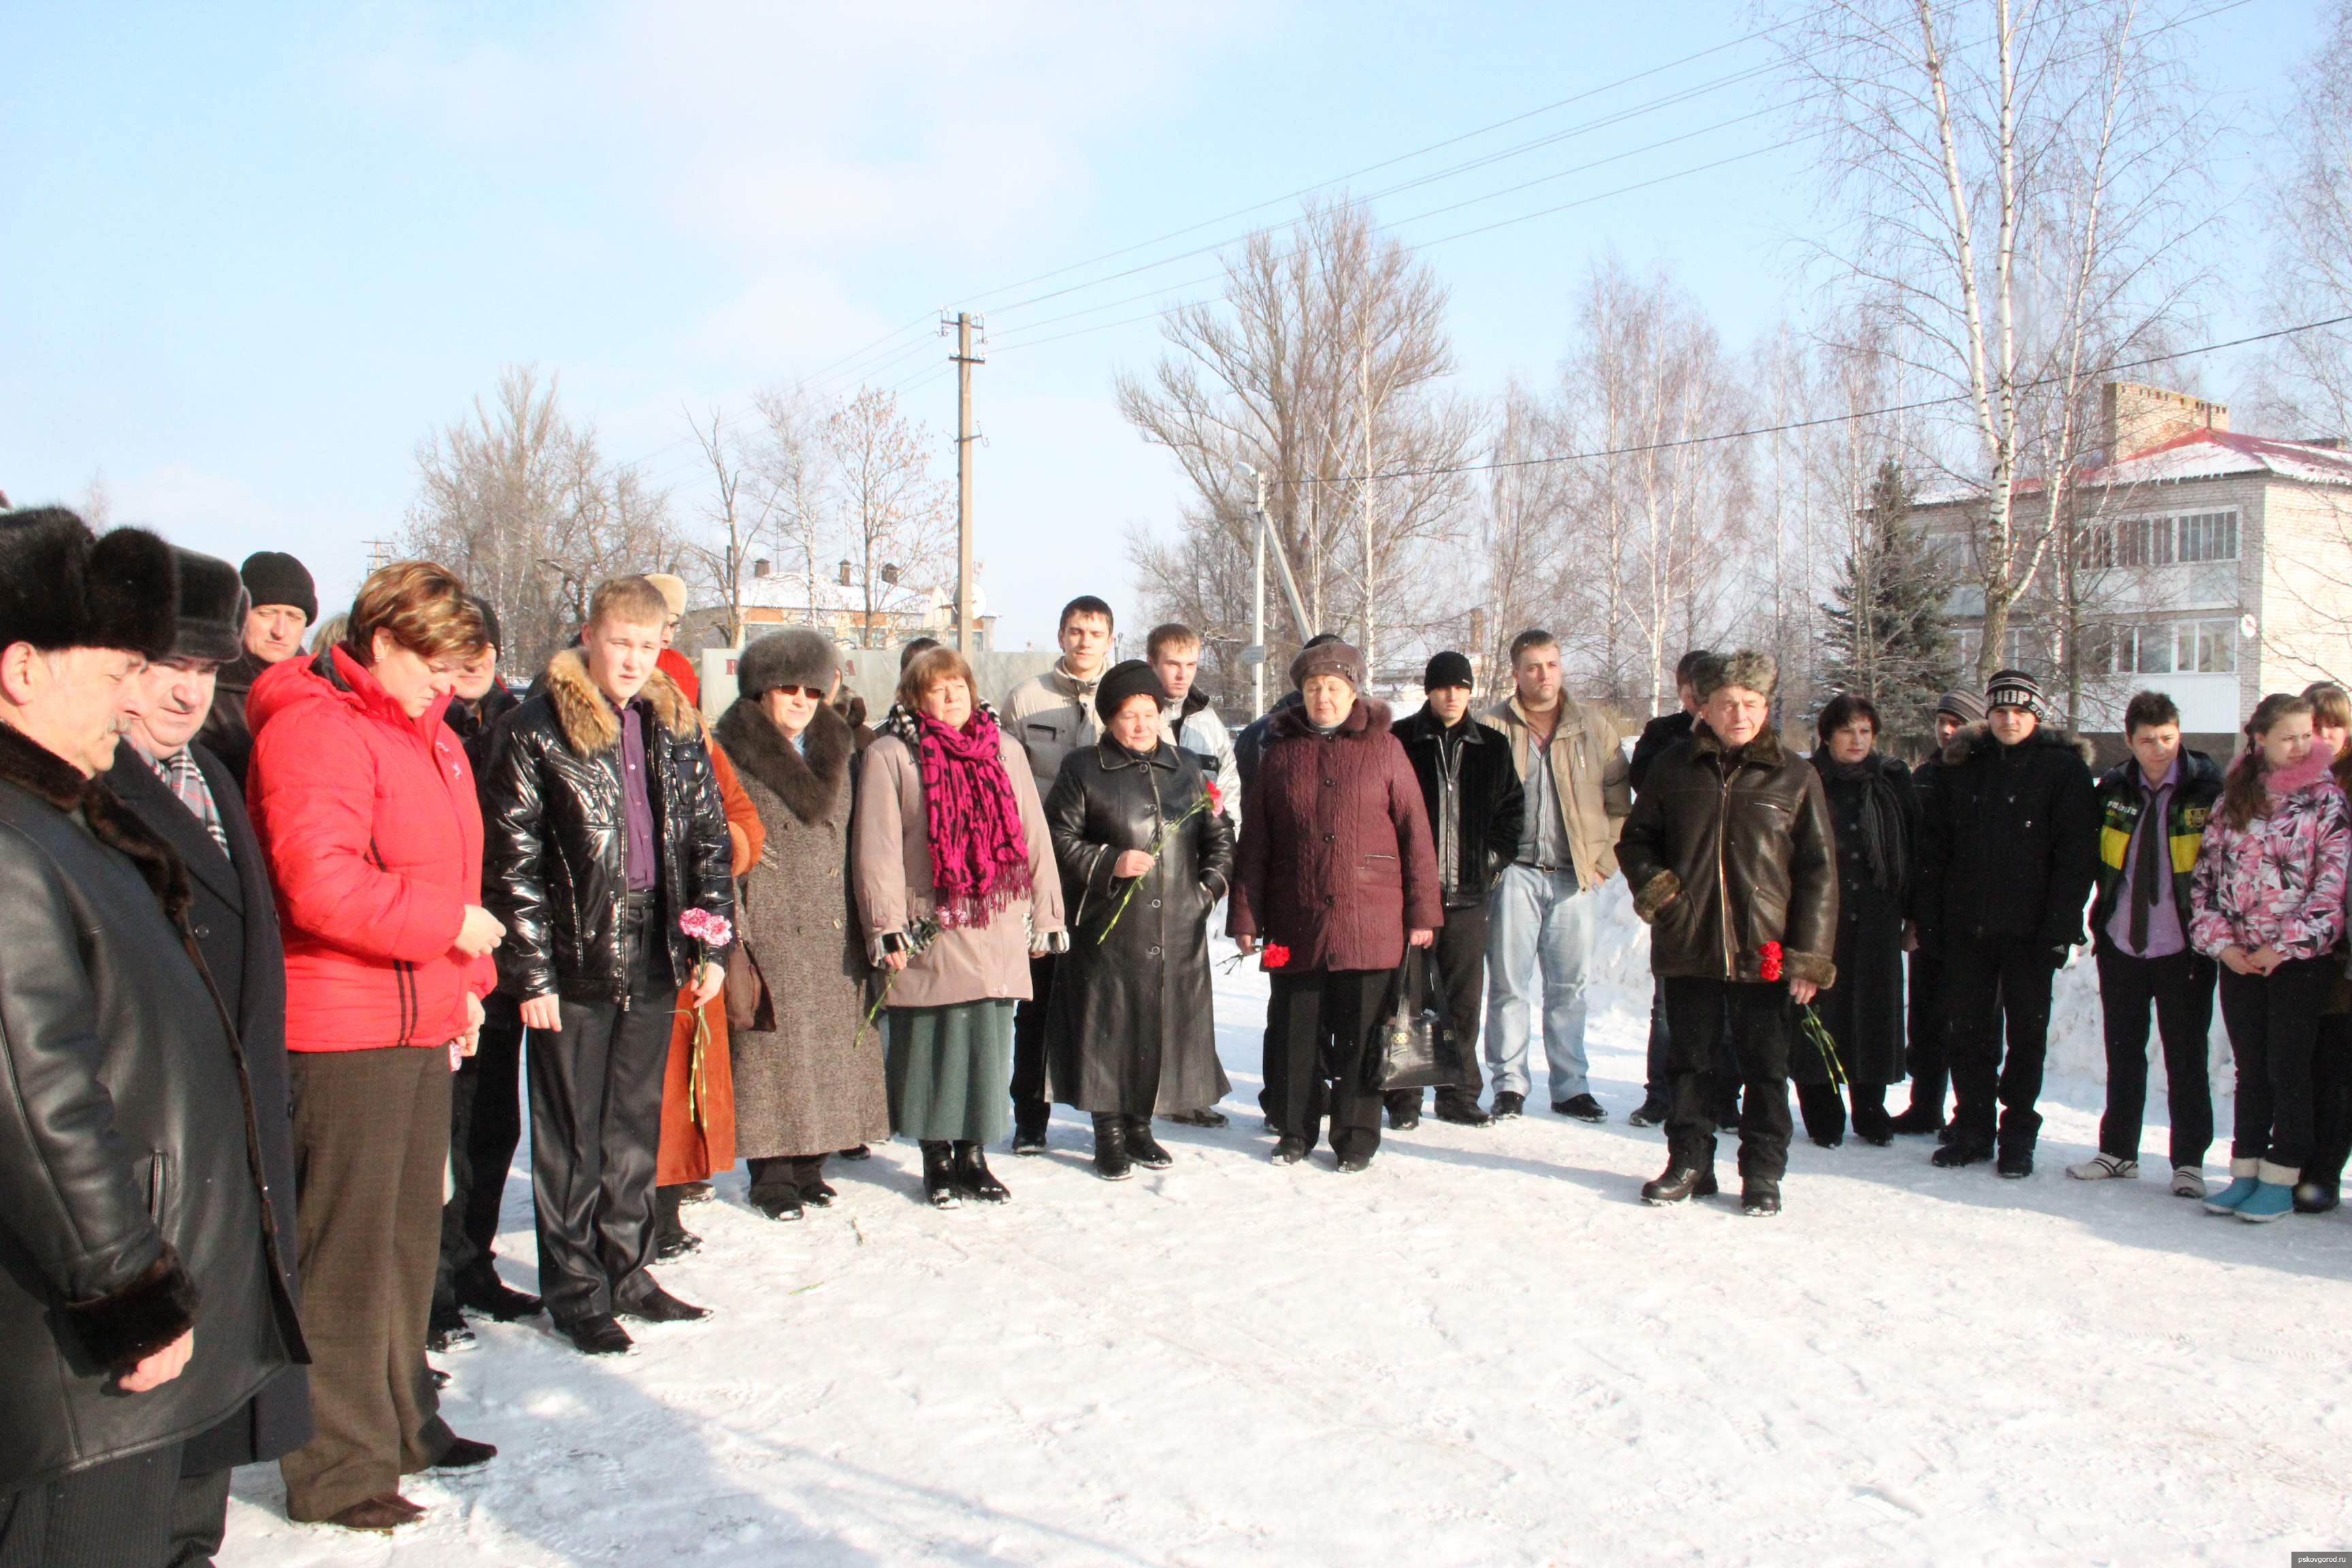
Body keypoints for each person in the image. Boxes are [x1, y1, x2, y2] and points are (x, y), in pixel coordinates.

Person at [0, 512, 301, 1563]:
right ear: (23, 668)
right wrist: (132, 1292)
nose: (143, 695)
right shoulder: (12, 843)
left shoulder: (67, 818)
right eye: (121, 666)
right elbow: (42, 1104)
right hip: (82, 1363)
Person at [245, 560, 503, 1531]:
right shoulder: (318, 729)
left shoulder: (425, 736)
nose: (450, 682)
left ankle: (403, 1420)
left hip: (414, 1016)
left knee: (402, 1244)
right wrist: (447, 930)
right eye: (434, 661)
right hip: (341, 1028)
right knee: (345, 1257)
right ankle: (339, 1465)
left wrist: (464, 988)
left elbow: (458, 870)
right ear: (382, 642)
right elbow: (319, 882)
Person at [103, 548, 315, 1566]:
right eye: (161, 665)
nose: (187, 690)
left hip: (227, 1135)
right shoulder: (88, 791)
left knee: (206, 1433)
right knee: (135, 1449)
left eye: (202, 665)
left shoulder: (211, 778)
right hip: (146, 1145)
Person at [478, 575, 734, 1356]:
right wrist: (533, 975)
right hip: (573, 958)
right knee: (569, 1135)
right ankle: (576, 1289)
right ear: (589, 634)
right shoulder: (533, 729)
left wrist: (709, 941)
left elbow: (706, 843)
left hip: (656, 946)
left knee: (629, 1128)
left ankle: (627, 1269)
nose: (631, 659)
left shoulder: (673, 723)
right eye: (620, 642)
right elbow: (511, 865)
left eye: (647, 645)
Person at [1618, 652, 1837, 1217]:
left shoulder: (1796, 774)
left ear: (1766, 708)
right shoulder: (1672, 768)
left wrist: (1808, 956)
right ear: (1705, 709)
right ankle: (1690, 1161)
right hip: (1688, 939)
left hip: (1762, 948)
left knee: (1766, 1067)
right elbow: (1637, 840)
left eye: (1750, 704)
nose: (1739, 714)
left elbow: (1818, 871)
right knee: (1689, 1062)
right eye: (1727, 704)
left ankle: (1763, 1172)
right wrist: (1662, 894)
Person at [855, 646, 1066, 1205]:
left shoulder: (1006, 749)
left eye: (958, 687)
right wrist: (887, 925)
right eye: (936, 689)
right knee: (930, 1042)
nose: (950, 699)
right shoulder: (891, 754)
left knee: (987, 1043)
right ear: (913, 697)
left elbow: (1034, 837)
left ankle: (974, 1156)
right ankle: (936, 1157)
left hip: (995, 919)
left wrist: (1047, 915)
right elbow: (876, 849)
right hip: (933, 918)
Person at [1228, 642, 1441, 1172]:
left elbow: (1417, 834)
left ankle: (1356, 1138)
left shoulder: (1386, 750)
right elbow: (1255, 843)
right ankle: (1294, 1132)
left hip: (1371, 922)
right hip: (1292, 922)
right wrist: (1247, 917)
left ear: (1353, 692)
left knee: (1361, 1038)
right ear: (1300, 694)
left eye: (1334, 687)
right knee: (1295, 1033)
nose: (1324, 697)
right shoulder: (1278, 754)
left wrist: (1422, 915)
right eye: (1313, 688)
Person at [711, 630, 892, 1220]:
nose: (799, 699)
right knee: (773, 1052)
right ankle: (772, 1176)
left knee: (831, 1046)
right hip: (770, 912)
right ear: (760, 690)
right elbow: (717, 844)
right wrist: (735, 925)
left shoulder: (842, 748)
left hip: (833, 916)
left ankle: (813, 1163)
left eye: (811, 689)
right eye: (786, 687)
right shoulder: (730, 751)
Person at [1045, 660, 1237, 1179]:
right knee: (1109, 1028)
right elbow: (1057, 839)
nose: (1140, 724)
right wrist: (1109, 862)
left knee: (1159, 1027)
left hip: (1176, 928)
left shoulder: (1187, 768)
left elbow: (1219, 838)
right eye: (1128, 714)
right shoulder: (1083, 768)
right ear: (1110, 718)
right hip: (1109, 928)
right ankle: (1108, 1134)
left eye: (1148, 713)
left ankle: (1140, 1127)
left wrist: (1206, 892)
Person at [1914, 670, 2098, 1177]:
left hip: (2031, 932)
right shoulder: (1963, 768)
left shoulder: (2062, 771)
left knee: (2026, 1037)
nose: (2009, 720)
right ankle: (1972, 1126)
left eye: (2020, 711)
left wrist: (2062, 927)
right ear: (1988, 716)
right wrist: (1930, 920)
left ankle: (2019, 1132)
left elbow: (2076, 856)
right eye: (2000, 711)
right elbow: (1936, 852)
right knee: (1969, 1034)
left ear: (2036, 715)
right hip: (1966, 928)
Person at [428, 598, 542, 1355]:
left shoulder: (516, 724)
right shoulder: (425, 729)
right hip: (439, 951)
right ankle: (431, 1284)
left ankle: (474, 1263)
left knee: (495, 1125)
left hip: (499, 954)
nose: (475, 664)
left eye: (485, 649)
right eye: (459, 650)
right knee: (444, 1132)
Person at [2189, 693, 2350, 1223]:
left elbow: (2331, 891)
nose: (2302, 745)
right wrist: (2224, 945)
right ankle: (2247, 1170)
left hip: (2296, 961)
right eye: (2290, 736)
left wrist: (2281, 948)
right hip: (2239, 960)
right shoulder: (2233, 798)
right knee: (2250, 1069)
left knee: (2288, 1068)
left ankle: (2285, 1175)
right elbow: (2205, 883)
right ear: (2259, 739)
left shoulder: (2325, 801)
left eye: (2308, 735)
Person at [636, 614, 763, 1262]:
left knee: (695, 1073)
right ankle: (643, 1210)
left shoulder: (702, 749)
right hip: (640, 935)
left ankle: (675, 1196)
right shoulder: (620, 746)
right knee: (650, 1082)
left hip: (698, 931)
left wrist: (721, 854)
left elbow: (742, 817)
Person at [2065, 691, 2223, 1198]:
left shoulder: (2208, 789)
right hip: (2123, 940)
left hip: (2184, 945)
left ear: (2179, 734)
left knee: (2185, 1054)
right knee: (2123, 1050)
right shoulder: (2114, 787)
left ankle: (2190, 1161)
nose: (2158, 750)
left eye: (2167, 739)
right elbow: (2091, 856)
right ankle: (2118, 1151)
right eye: (2147, 740)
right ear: (2130, 740)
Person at [1480, 629, 1631, 1121]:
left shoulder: (1594, 726)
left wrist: (1605, 860)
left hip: (1573, 877)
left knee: (1569, 988)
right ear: (1516, 673)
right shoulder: (1493, 727)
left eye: (1552, 664)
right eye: (1532, 667)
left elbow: (1618, 803)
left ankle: (1571, 1087)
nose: (1543, 675)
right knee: (1509, 985)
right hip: (1516, 875)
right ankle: (1509, 1084)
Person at [1388, 651, 1524, 1130]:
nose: (1452, 696)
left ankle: (1459, 1096)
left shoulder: (1492, 745)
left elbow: (1512, 812)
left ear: (1471, 691)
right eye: (1444, 686)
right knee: (1407, 1000)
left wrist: (1491, 861)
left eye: (1461, 687)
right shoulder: (1400, 740)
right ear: (1429, 689)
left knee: (1463, 1001)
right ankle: (1403, 1099)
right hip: (1411, 898)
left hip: (1468, 897)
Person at [1000, 595, 1115, 1152]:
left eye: (1095, 632)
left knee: (1101, 1002)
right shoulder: (1026, 699)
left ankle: (1105, 1118)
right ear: (1061, 634)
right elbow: (1004, 789)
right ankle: (1030, 1116)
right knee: (1037, 1005)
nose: (1084, 641)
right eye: (1075, 630)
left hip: (1104, 873)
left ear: (1110, 639)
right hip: (1039, 872)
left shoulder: (1127, 698)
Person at [1797, 693, 1918, 1147]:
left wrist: (1913, 916)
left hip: (1877, 915)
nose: (1858, 739)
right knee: (1818, 1013)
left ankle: (1870, 1107)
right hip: (1819, 915)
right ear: (1828, 735)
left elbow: (1913, 847)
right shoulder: (1805, 779)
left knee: (1873, 1012)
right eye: (1848, 730)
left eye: (1866, 731)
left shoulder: (1890, 781)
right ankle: (1822, 1108)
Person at [1627, 649, 1724, 1129]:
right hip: (1678, 887)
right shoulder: (1663, 735)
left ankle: (1725, 1096)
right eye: (1688, 688)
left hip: (1728, 890)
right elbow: (1641, 783)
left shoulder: (1737, 736)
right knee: (1669, 1000)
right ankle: (1660, 1094)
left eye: (1704, 690)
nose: (1695, 697)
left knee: (1730, 1001)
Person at [1888, 689, 1986, 1137]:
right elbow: (1911, 850)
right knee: (1924, 1017)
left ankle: (1972, 1114)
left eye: (1957, 722)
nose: (1947, 730)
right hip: (1928, 915)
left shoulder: (1987, 773)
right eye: (1942, 721)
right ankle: (1924, 1104)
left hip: (1974, 919)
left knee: (1969, 1023)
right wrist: (1911, 915)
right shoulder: (1925, 774)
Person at [2300, 681, 2352, 1212]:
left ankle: (2324, 1173)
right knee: (2308, 1064)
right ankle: (2304, 1163)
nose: (2324, 736)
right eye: (2313, 728)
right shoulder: (2290, 783)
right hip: (2303, 949)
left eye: (2333, 725)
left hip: (2343, 954)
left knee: (2338, 1069)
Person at [199, 549, 315, 783]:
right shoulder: (205, 690)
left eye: (293, 617)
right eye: (266, 613)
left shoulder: (326, 692)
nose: (279, 630)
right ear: (241, 616)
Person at [1147, 621, 1241, 817]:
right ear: (1151, 663)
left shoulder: (1210, 721)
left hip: (1202, 842)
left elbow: (1228, 792)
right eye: (1173, 664)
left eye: (1191, 665)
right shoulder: (1135, 718)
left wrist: (1229, 843)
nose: (1183, 675)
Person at [1235, 632, 1342, 798]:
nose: (1325, 694)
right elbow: (1249, 809)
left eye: (1335, 684)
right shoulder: (1261, 736)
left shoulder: (1367, 736)